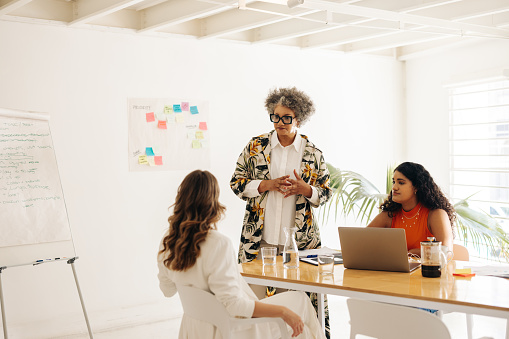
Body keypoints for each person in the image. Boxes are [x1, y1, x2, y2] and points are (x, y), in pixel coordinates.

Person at [157, 170, 325, 339]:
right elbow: (235, 306)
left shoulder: (168, 241)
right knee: (301, 301)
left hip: (195, 327)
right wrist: (283, 312)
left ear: (180, 199)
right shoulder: (217, 244)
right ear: (212, 202)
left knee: (300, 318)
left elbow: (167, 290)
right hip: (234, 329)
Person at [230, 87, 332, 337]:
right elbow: (236, 183)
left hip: (299, 244)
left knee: (299, 306)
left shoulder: (312, 153)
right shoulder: (256, 147)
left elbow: (326, 192)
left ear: (299, 118)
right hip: (258, 240)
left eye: (287, 117)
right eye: (275, 116)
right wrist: (267, 185)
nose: (280, 122)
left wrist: (306, 189)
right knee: (252, 304)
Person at [368, 162, 455, 256]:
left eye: (401, 183)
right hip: (397, 270)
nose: (394, 187)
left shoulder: (436, 215)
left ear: (416, 187)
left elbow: (447, 253)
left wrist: (414, 253)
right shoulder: (389, 216)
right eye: (394, 182)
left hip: (428, 270)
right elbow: (361, 242)